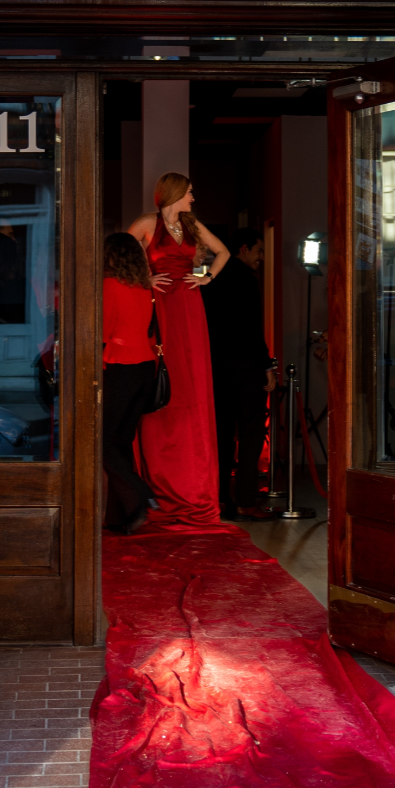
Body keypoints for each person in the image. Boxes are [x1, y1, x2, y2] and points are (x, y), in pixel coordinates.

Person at [126, 172, 226, 528]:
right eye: (189, 192)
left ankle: (191, 479)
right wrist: (143, 279)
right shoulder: (146, 223)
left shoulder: (191, 224)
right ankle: (158, 480)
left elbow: (223, 252)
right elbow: (117, 256)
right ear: (174, 193)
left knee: (192, 380)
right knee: (162, 379)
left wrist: (206, 277)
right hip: (160, 304)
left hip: (188, 304)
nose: (193, 198)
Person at [203, 226, 275, 520]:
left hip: (217, 366)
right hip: (245, 366)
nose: (261, 258)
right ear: (243, 249)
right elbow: (251, 329)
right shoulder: (246, 280)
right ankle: (246, 499)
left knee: (221, 435)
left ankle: (220, 500)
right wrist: (267, 366)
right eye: (259, 251)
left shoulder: (211, 278)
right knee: (250, 433)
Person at [100, 232, 159, 534]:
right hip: (144, 369)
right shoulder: (142, 286)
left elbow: (104, 331)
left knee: (101, 442)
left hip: (120, 367)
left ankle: (140, 493)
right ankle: (123, 516)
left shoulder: (109, 285)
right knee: (120, 442)